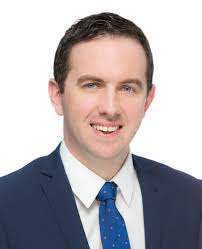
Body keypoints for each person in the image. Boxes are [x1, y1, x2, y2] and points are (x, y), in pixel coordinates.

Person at [0, 12, 202, 249]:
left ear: (147, 100)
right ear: (57, 96)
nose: (110, 108)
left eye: (127, 88)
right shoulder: (6, 206)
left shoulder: (193, 202)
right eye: (92, 85)